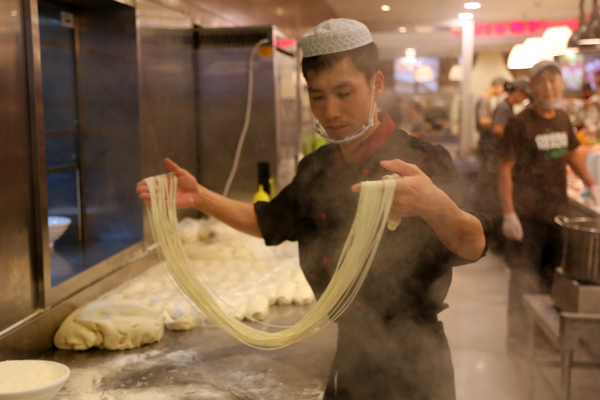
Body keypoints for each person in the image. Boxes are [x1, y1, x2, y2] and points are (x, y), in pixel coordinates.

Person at [138, 18, 488, 400]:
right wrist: (200, 196)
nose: (331, 111)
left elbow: (473, 244)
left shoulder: (423, 160)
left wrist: (436, 206)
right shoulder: (318, 168)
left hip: (415, 363)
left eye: (344, 93)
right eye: (317, 96)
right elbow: (267, 221)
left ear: (376, 85)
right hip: (348, 351)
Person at [498, 61, 600, 352]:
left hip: (558, 214)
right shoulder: (519, 123)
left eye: (554, 81)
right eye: (542, 82)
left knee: (552, 279)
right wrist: (508, 212)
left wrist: (592, 185)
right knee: (523, 279)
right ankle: (517, 340)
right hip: (527, 216)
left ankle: (542, 339)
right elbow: (505, 169)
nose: (549, 87)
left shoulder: (563, 119)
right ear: (532, 86)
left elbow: (572, 155)